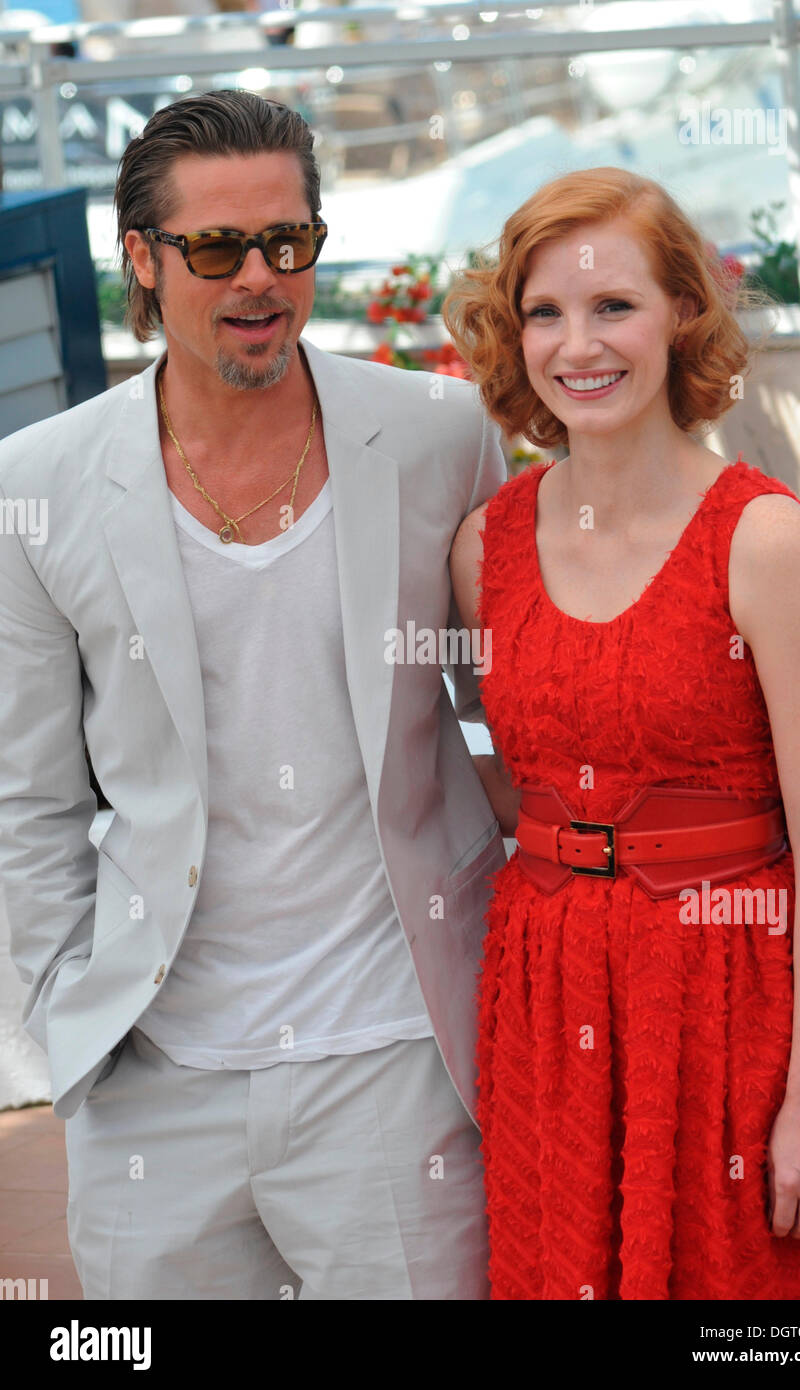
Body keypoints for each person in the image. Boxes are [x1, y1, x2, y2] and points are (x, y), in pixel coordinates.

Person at [0, 89, 508, 1300]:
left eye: (289, 241)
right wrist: (67, 1030)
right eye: (218, 247)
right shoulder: (40, 483)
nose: (260, 278)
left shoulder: (438, 431)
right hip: (155, 1073)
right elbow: (27, 800)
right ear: (140, 256)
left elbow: (520, 709)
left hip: (398, 1054)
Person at [446, 167, 800, 1300]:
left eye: (612, 305)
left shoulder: (761, 540)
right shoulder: (481, 547)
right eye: (544, 310)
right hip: (548, 1002)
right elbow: (497, 773)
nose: (575, 343)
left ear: (682, 313)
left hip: (731, 1004)